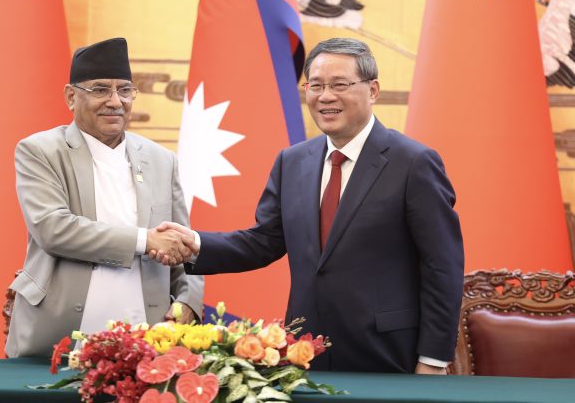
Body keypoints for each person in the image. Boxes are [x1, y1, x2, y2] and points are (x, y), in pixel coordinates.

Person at [155, 38, 464, 373]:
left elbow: (442, 267)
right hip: (303, 353)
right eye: (315, 85)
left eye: (340, 84)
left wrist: (433, 359)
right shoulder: (292, 161)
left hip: (389, 355)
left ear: (372, 90)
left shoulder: (413, 163)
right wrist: (194, 243)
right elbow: (264, 241)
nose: (325, 96)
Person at [5, 37, 203, 357]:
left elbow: (184, 246)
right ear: (71, 96)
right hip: (57, 340)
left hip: (148, 341)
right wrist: (145, 241)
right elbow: (54, 228)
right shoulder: (40, 151)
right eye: (100, 89)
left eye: (124, 90)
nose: (115, 101)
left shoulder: (161, 159)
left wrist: (187, 301)